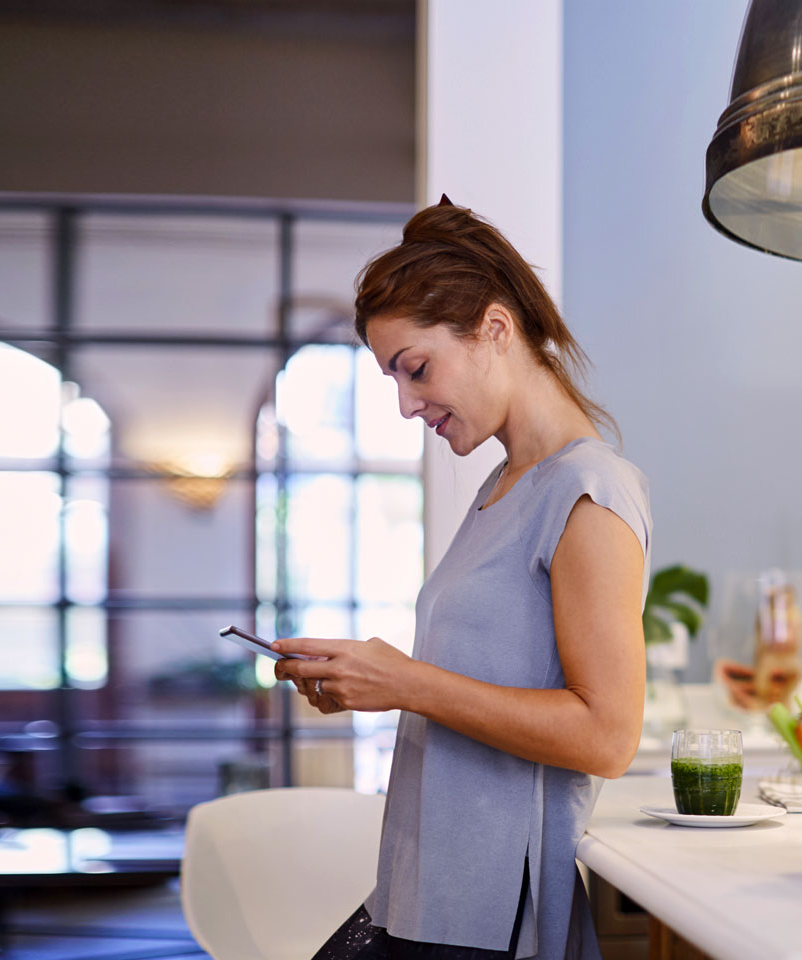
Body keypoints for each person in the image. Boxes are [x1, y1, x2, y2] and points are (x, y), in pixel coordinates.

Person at [273, 197, 652, 960]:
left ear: (494, 330)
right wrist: (366, 680)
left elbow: (607, 736)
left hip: (487, 918)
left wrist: (405, 682)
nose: (408, 404)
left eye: (416, 369)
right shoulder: (503, 486)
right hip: (421, 892)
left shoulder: (587, 492)